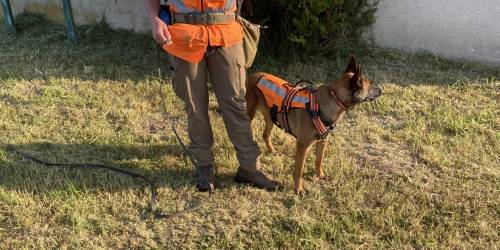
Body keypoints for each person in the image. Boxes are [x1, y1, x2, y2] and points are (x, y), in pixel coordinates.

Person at [144, 0, 282, 192]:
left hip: (226, 32)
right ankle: (204, 165)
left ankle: (249, 168)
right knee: (195, 105)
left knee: (236, 103)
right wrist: (154, 19)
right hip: (184, 34)